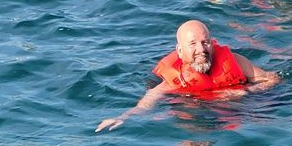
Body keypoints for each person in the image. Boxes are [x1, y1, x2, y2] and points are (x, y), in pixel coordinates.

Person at [95, 20, 280, 132]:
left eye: (205, 42)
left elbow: (273, 78)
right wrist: (123, 117)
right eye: (193, 44)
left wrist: (247, 92)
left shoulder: (235, 61)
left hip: (244, 115)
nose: (201, 49)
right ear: (180, 51)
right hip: (203, 117)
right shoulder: (173, 81)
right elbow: (147, 102)